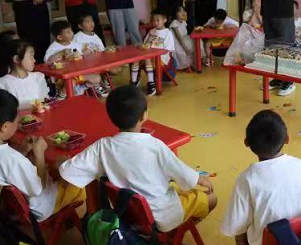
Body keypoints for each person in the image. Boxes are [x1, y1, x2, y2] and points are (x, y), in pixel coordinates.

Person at [59, 85, 216, 232]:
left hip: (128, 215)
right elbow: (182, 174)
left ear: (111, 117)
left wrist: (60, 163)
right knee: (211, 199)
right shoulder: (155, 146)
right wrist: (199, 179)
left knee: (172, 188)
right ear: (144, 115)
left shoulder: (102, 146)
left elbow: (68, 171)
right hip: (164, 216)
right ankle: (174, 234)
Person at [221, 110, 301, 245]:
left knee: (240, 233)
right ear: (287, 139)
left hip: (268, 242)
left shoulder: (246, 180)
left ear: (246, 143)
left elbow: (234, 226)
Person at [0, 90, 85, 222]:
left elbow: (9, 168)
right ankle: (81, 220)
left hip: (15, 203)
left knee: (54, 169)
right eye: (17, 121)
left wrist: (23, 150)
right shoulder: (11, 159)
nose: (18, 124)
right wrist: (39, 154)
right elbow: (38, 188)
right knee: (79, 182)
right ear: (5, 127)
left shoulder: (9, 157)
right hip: (40, 207)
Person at [44, 20, 105, 98]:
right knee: (71, 82)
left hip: (78, 74)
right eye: (68, 32)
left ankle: (79, 89)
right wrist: (61, 52)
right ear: (60, 37)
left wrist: (87, 53)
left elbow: (83, 56)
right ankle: (60, 97)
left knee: (97, 78)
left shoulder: (75, 45)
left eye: (71, 31)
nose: (72, 33)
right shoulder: (54, 47)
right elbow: (48, 62)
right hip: (62, 78)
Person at [130, 9, 175, 96]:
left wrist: (153, 53)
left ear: (164, 20)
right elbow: (145, 45)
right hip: (149, 56)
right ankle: (134, 82)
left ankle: (151, 83)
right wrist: (150, 36)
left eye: (158, 20)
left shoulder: (168, 33)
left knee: (147, 58)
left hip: (161, 58)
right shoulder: (152, 31)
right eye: (154, 20)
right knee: (136, 59)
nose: (155, 22)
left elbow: (168, 49)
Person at [0, 40, 49, 109]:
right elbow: (7, 110)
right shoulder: (2, 83)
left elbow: (45, 101)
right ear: (16, 59)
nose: (34, 60)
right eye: (31, 56)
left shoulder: (38, 77)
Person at [170, 6, 195, 70]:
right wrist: (186, 49)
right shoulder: (174, 23)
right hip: (177, 43)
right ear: (175, 13)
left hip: (184, 40)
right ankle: (192, 64)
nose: (183, 13)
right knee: (192, 44)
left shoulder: (184, 22)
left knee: (196, 41)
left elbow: (185, 34)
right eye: (180, 11)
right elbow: (179, 38)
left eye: (184, 11)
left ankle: (196, 63)